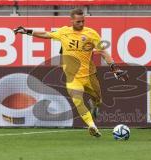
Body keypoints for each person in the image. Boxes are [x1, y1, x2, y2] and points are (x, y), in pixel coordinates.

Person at [13, 8, 128, 137]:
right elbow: (46, 34)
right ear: (72, 20)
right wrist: (27, 31)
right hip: (73, 78)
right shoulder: (64, 32)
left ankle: (95, 105)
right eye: (78, 21)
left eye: (83, 21)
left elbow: (102, 51)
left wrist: (114, 67)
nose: (81, 24)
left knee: (98, 100)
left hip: (89, 76)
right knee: (78, 101)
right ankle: (92, 126)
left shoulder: (91, 34)